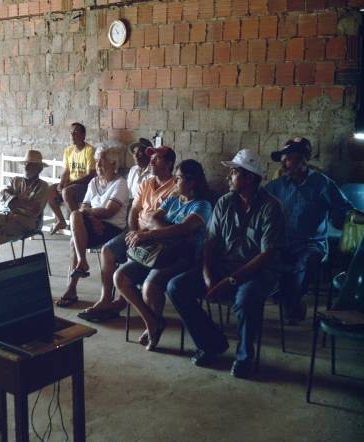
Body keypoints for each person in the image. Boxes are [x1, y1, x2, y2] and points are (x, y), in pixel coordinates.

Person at [166, 149, 285, 378]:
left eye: (234, 172)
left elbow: (267, 255)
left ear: (249, 178)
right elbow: (211, 243)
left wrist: (231, 280)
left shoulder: (271, 207)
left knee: (246, 298)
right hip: (225, 266)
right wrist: (209, 275)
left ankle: (245, 357)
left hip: (258, 271)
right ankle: (212, 344)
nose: (228, 177)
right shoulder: (224, 202)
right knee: (176, 286)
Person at [114, 160, 212, 350]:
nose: (175, 181)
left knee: (150, 286)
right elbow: (152, 218)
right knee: (120, 277)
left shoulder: (202, 205)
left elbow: (184, 229)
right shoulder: (174, 199)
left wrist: (153, 233)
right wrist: (170, 233)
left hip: (183, 257)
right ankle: (152, 321)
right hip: (159, 252)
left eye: (180, 178)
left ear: (192, 182)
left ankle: (153, 327)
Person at [78, 146, 178, 322]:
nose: (152, 161)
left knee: (133, 257)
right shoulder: (146, 183)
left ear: (169, 163)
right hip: (137, 231)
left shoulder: (176, 187)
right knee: (107, 250)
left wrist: (144, 234)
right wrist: (133, 231)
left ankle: (120, 302)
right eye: (152, 158)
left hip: (158, 237)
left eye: (157, 159)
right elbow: (134, 211)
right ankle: (105, 298)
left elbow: (163, 222)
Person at [265, 137, 356, 324]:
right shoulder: (276, 186)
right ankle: (285, 295)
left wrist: (342, 218)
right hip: (283, 242)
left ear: (304, 160)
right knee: (262, 257)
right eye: (284, 160)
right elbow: (258, 204)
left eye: (290, 159)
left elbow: (345, 211)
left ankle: (292, 300)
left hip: (311, 244)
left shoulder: (323, 184)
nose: (285, 164)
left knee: (307, 261)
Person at [56, 147, 129, 307]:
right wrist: (91, 215)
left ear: (114, 164)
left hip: (112, 228)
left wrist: (89, 214)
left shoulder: (120, 183)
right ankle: (75, 279)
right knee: (75, 223)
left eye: (101, 163)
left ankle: (77, 275)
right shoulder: (93, 182)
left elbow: (109, 211)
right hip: (95, 224)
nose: (97, 166)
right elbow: (83, 207)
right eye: (96, 163)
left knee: (75, 221)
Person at [0, 150, 49, 267]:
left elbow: (34, 210)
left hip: (29, 222)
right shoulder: (16, 180)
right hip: (9, 216)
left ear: (38, 168)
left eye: (30, 164)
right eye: (26, 163)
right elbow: (2, 194)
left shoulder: (43, 186)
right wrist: (19, 202)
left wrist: (14, 202)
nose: (26, 166)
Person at [48, 122, 96, 234]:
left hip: (85, 187)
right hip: (70, 185)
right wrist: (61, 183)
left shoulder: (89, 150)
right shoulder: (68, 151)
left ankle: (79, 222)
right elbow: (66, 171)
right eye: (71, 133)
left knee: (66, 192)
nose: (72, 136)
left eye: (75, 133)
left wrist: (69, 185)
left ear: (83, 135)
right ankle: (61, 221)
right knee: (49, 191)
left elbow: (91, 175)